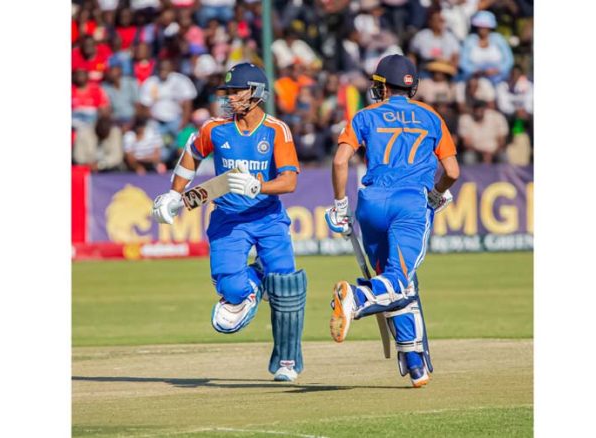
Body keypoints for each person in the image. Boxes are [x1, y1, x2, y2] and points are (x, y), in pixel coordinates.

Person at [151, 63, 307, 382]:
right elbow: (192, 155)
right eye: (229, 92)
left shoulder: (276, 130)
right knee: (230, 289)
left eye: (237, 91)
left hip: (267, 218)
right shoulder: (215, 128)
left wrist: (258, 186)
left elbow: (289, 181)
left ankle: (288, 361)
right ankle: (254, 282)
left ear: (257, 93)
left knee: (287, 286)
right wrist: (174, 195)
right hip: (227, 220)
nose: (230, 98)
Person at [325, 54, 460, 388]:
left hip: (371, 203)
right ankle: (356, 298)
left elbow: (341, 161)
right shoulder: (430, 115)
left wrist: (340, 204)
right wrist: (436, 194)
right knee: (397, 281)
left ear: (383, 86)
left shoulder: (365, 115)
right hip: (411, 203)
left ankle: (415, 363)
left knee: (398, 282)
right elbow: (453, 172)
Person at [459, 10, 514, 84]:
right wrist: (475, 71)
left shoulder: (498, 39)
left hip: (499, 79)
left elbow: (509, 60)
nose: (482, 29)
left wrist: (497, 70)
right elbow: (463, 62)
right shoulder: (470, 40)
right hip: (475, 79)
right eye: (480, 26)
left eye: (485, 27)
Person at [457, 99, 509, 164]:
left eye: (481, 109)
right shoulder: (465, 119)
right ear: (472, 109)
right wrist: (483, 154)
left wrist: (492, 153)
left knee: (503, 156)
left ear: (485, 109)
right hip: (476, 152)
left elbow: (502, 141)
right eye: (476, 109)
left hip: (495, 152)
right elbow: (467, 144)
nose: (478, 112)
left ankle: (503, 174)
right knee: (468, 157)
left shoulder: (497, 117)